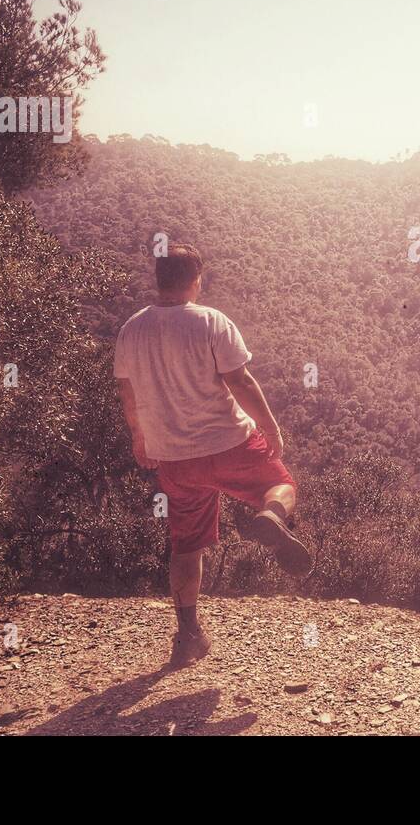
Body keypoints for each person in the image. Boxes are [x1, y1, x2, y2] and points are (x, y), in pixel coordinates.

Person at [114, 243, 312, 668]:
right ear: (196, 280)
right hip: (229, 444)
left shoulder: (132, 329)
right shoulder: (211, 321)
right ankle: (271, 516)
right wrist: (271, 426)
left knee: (186, 548)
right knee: (282, 485)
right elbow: (239, 380)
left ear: (159, 280)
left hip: (174, 458)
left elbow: (127, 392)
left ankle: (188, 635)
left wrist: (139, 438)